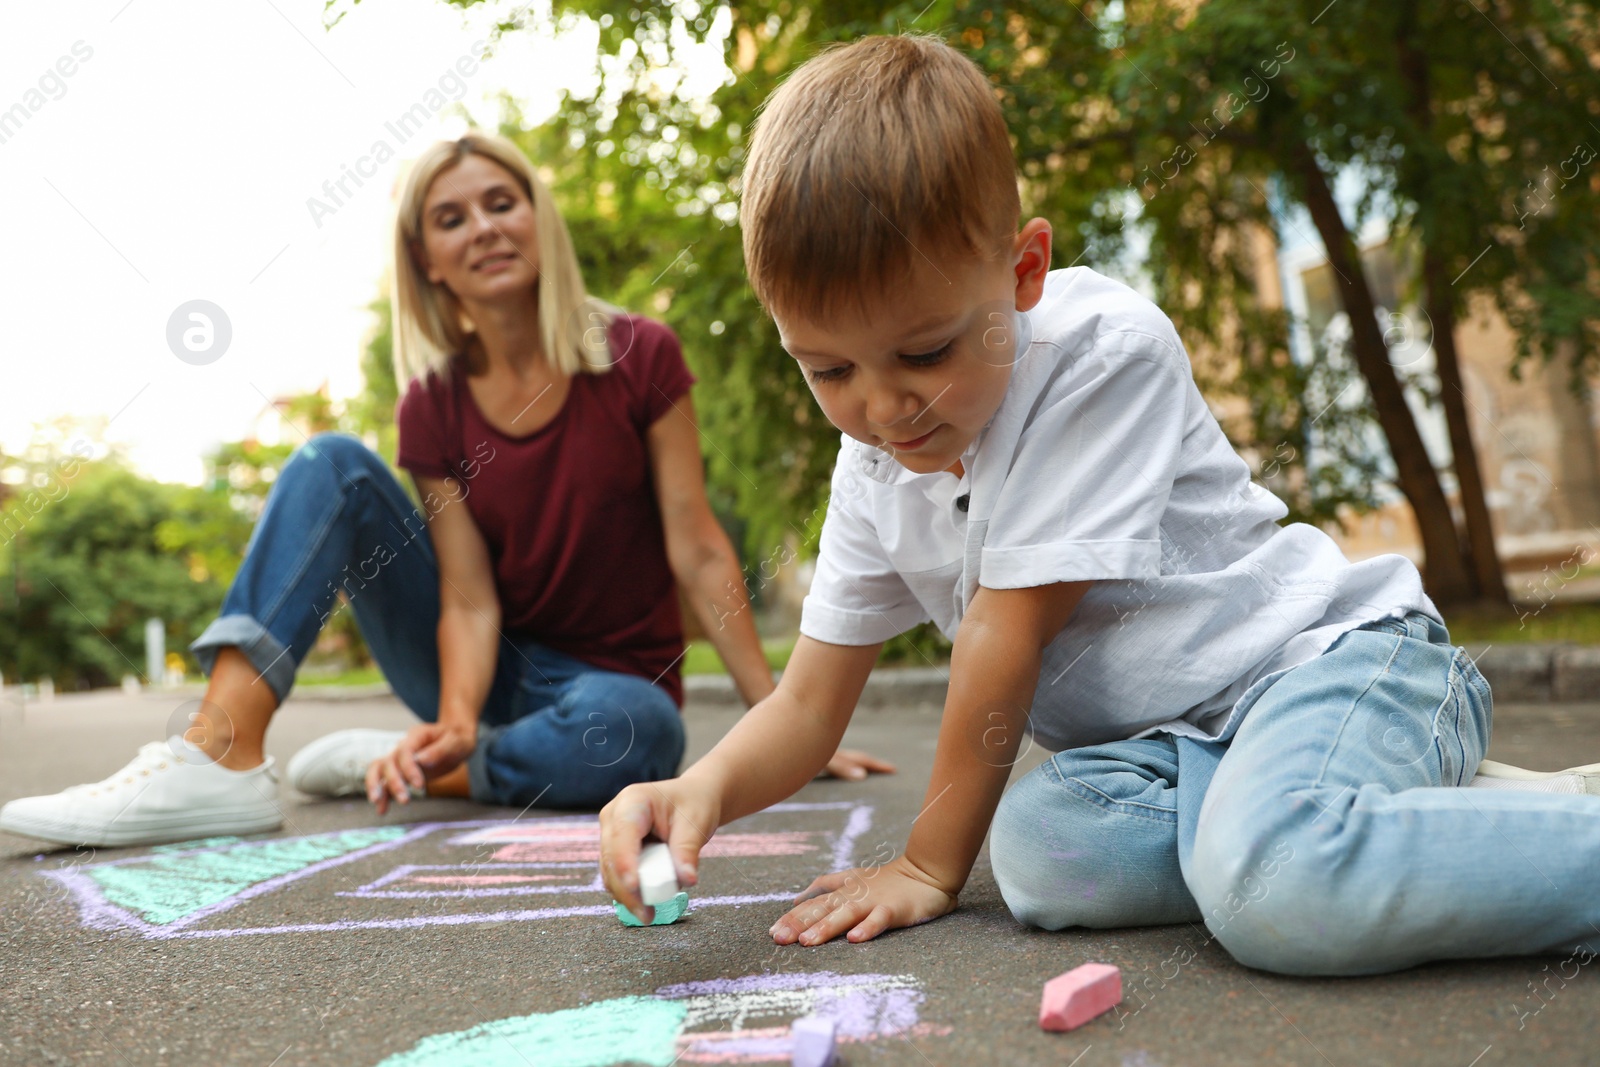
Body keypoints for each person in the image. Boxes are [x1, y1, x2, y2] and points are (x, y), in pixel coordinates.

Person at [597, 34, 1600, 977]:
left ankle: (1369, 833)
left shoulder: (1097, 352)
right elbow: (810, 703)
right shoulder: (876, 465)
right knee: (1040, 856)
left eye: (925, 351)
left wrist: (926, 864)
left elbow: (1004, 627)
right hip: (1174, 755)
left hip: (1336, 664)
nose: (881, 404)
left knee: (1270, 888)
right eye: (827, 368)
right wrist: (703, 791)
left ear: (1022, 270)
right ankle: (1373, 817)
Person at [0, 131, 890, 850]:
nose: (485, 228)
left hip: (606, 690)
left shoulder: (637, 354)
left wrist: (784, 722)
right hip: (482, 663)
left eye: (502, 204)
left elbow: (695, 543)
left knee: (642, 730)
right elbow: (465, 596)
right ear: (426, 258)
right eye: (452, 217)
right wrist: (458, 714)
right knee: (329, 464)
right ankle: (219, 755)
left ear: (538, 220)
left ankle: (428, 769)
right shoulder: (432, 402)